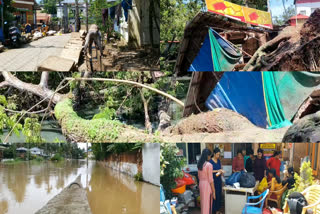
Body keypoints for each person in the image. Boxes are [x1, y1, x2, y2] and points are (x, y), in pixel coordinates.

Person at [198, 148, 216, 214]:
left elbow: (199, 176)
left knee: (203, 204)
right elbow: (211, 180)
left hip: (201, 184)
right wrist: (214, 191)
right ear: (207, 156)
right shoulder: (209, 165)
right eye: (209, 155)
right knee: (207, 204)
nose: (210, 157)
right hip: (206, 185)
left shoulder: (200, 164)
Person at [209, 148, 224, 214]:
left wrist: (221, 171)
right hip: (213, 181)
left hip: (219, 180)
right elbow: (210, 171)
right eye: (217, 154)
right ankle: (213, 211)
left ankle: (217, 210)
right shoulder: (210, 162)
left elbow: (220, 168)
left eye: (219, 154)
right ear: (214, 154)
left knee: (218, 195)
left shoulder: (219, 161)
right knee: (213, 195)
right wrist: (217, 171)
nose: (218, 156)